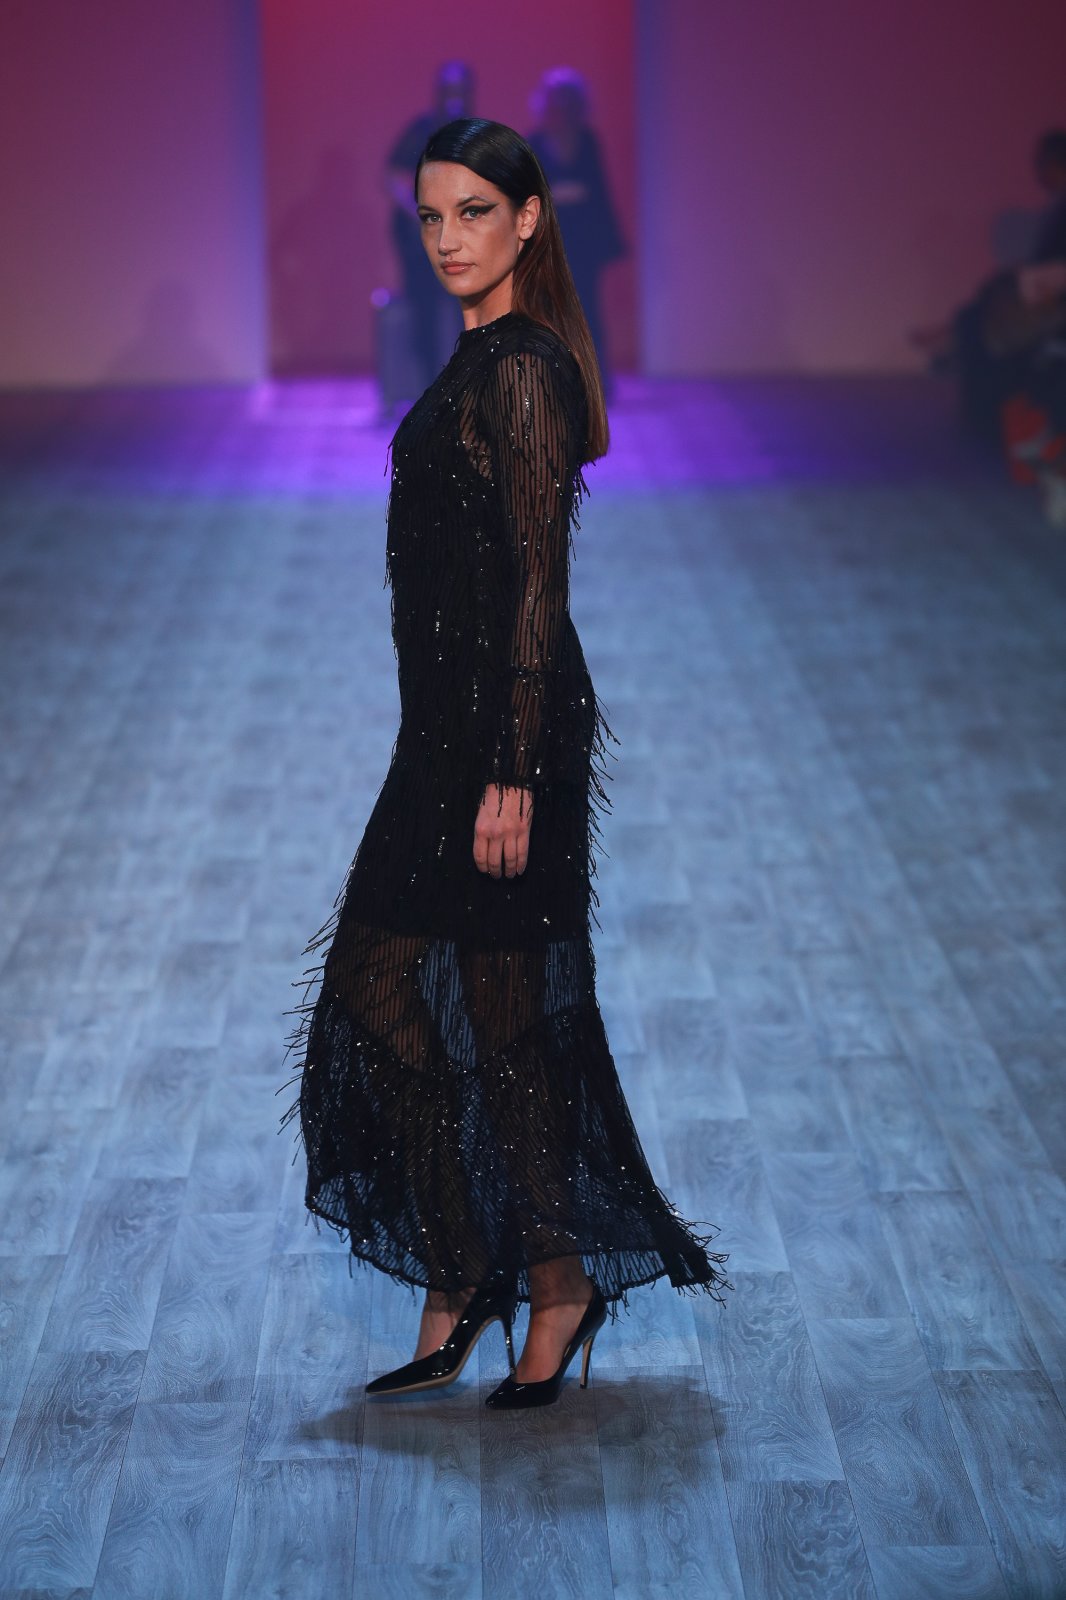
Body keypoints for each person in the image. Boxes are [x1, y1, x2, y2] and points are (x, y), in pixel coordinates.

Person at [280, 117, 730, 1411]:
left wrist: (513, 774)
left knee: (476, 1007)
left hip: (498, 736)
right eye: (430, 216)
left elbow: (539, 584)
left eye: (473, 212)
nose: (446, 239)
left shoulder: (523, 369)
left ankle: (537, 1277)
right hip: (445, 728)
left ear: (528, 219)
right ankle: (490, 1260)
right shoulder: (484, 350)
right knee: (443, 1001)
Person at [529, 68, 626, 397]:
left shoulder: (588, 141)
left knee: (587, 309)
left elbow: (600, 192)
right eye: (556, 100)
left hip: (584, 239)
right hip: (550, 239)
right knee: (548, 310)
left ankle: (595, 380)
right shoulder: (535, 142)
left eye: (567, 100)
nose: (561, 107)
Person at [385, 63, 474, 393]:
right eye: (449, 90)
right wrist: (420, 214)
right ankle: (428, 386)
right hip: (420, 241)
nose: (454, 98)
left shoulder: (474, 132)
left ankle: (463, 387)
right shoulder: (421, 129)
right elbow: (393, 176)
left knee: (465, 311)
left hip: (462, 240)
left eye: (460, 91)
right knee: (423, 310)